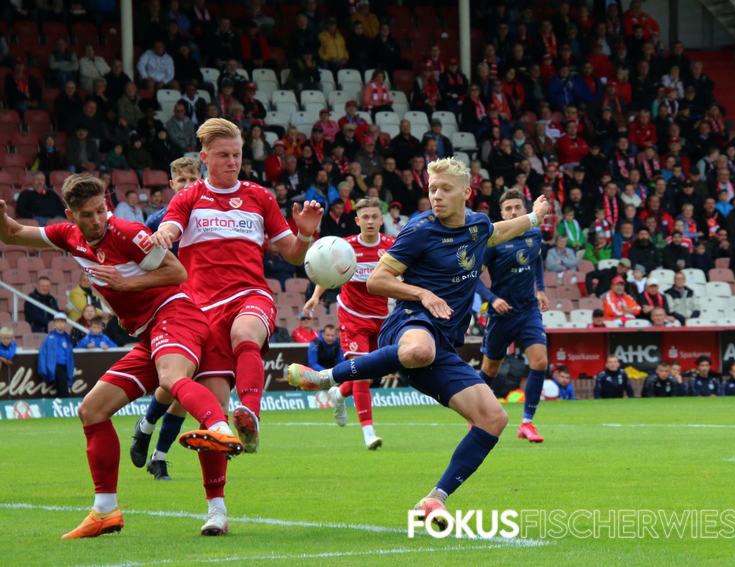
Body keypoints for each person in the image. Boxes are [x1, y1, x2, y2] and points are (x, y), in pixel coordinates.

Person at [285, 158, 550, 529]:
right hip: (410, 322)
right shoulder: (420, 229)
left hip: (444, 344)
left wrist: (536, 216)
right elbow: (377, 280)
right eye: (432, 189)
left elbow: (500, 231)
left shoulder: (477, 226)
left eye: (445, 189)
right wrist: (423, 293)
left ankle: (434, 499)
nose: (436, 196)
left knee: (494, 418)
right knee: (419, 350)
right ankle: (325, 377)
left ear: (466, 193)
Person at [0, 174, 242, 538]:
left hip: (175, 315)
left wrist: (125, 282)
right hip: (148, 334)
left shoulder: (128, 233)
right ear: (71, 215)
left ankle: (220, 431)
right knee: (91, 410)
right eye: (87, 214)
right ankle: (105, 511)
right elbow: (13, 234)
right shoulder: (68, 235)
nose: (97, 219)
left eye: (101, 210)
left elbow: (177, 271)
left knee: (171, 379)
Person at [149, 119, 323, 531]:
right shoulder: (190, 196)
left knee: (246, 334)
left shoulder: (260, 196)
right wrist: (164, 235)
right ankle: (217, 510)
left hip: (249, 294)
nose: (232, 162)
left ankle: (252, 416)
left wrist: (305, 235)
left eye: (237, 155)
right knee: (213, 415)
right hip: (201, 309)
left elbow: (293, 254)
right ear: (204, 157)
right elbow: (171, 225)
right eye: (223, 155)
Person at [305, 199, 396, 449]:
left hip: (382, 317)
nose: (370, 221)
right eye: (365, 217)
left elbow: (405, 274)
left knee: (373, 370)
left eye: (374, 217)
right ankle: (369, 433)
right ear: (357, 220)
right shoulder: (345, 247)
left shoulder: (392, 246)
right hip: (352, 317)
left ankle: (339, 392)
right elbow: (328, 270)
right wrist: (316, 296)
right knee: (363, 373)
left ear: (381, 220)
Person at [475, 189, 550, 443]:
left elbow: (536, 260)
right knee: (490, 369)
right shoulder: (493, 240)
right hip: (501, 314)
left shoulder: (534, 234)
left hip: (528, 310)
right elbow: (473, 277)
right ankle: (476, 416)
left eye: (517, 207)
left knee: (540, 361)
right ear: (502, 213)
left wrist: (540, 289)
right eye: (508, 209)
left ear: (525, 210)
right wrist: (492, 299)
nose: (513, 212)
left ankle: (527, 423)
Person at [37, 312, 74, 398]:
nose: (60, 324)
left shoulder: (68, 337)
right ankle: (66, 400)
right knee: (63, 381)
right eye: (58, 322)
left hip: (65, 365)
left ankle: (61, 401)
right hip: (54, 365)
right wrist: (43, 368)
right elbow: (43, 353)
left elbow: (70, 354)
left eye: (62, 322)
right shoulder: (49, 337)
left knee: (61, 384)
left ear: (65, 324)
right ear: (54, 323)